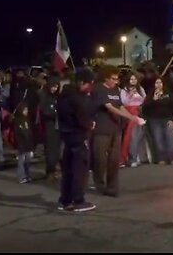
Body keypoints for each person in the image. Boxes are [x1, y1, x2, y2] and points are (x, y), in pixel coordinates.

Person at [91, 65, 145, 197]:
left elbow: (120, 106)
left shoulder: (115, 89)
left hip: (115, 128)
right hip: (102, 129)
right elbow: (110, 107)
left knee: (114, 160)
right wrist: (132, 117)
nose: (116, 81)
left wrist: (134, 117)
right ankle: (99, 183)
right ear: (106, 78)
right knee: (100, 159)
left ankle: (112, 187)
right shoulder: (99, 89)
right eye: (113, 78)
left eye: (117, 79)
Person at [57, 69, 96, 212]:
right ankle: (78, 201)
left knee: (67, 170)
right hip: (78, 136)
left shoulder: (63, 96)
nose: (90, 87)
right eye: (89, 84)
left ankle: (65, 200)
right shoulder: (77, 98)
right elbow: (82, 118)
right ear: (81, 82)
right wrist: (90, 124)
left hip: (66, 136)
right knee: (79, 170)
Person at [144, 77, 173, 165]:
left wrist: (172, 120)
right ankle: (161, 158)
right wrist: (154, 100)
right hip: (155, 120)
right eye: (157, 83)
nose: (159, 85)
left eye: (160, 83)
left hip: (167, 119)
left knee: (170, 138)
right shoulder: (150, 95)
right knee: (158, 139)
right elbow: (145, 108)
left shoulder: (168, 94)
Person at [119, 73, 146, 168]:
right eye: (131, 79)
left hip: (140, 113)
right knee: (132, 137)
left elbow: (144, 100)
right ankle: (132, 158)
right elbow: (123, 102)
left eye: (135, 79)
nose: (133, 81)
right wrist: (129, 95)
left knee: (139, 136)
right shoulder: (124, 90)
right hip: (130, 114)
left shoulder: (140, 89)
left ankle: (137, 155)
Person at [39, 76, 61, 180]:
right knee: (50, 149)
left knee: (57, 149)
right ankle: (50, 170)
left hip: (57, 126)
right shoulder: (43, 95)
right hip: (49, 125)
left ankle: (54, 168)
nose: (54, 89)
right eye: (53, 86)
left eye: (56, 87)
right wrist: (55, 113)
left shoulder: (57, 96)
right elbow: (44, 111)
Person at [13, 102, 34, 184]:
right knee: (21, 161)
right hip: (21, 144)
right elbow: (19, 134)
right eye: (24, 110)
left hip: (28, 144)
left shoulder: (27, 120)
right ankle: (21, 176)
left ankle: (27, 175)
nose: (26, 111)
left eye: (26, 109)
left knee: (28, 161)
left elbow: (29, 132)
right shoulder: (18, 121)